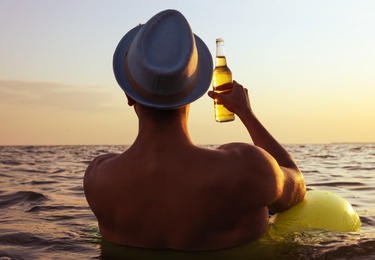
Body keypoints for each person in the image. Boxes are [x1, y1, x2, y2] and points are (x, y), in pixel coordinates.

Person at [84, 9, 306, 251]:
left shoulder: (98, 178)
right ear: (196, 89)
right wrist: (246, 113)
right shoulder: (246, 168)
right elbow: (297, 186)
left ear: (128, 95)